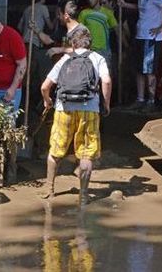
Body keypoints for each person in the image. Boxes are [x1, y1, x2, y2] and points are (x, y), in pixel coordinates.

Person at [40, 27, 112, 205]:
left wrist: (47, 101)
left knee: (56, 149)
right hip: (89, 109)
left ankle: (49, 189)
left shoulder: (65, 59)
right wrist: (106, 103)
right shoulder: (97, 58)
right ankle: (84, 194)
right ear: (90, 44)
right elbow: (107, 81)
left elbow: (44, 86)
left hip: (63, 108)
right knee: (86, 154)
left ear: (72, 43)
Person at [118, 0, 162, 112]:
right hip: (140, 36)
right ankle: (140, 99)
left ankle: (150, 100)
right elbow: (141, 8)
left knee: (149, 70)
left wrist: (161, 27)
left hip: (151, 38)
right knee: (139, 69)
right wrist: (126, 5)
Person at [78, 0, 118, 71]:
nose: (90, 0)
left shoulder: (108, 13)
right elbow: (79, 32)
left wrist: (123, 47)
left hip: (104, 50)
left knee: (106, 78)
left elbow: (117, 31)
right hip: (89, 50)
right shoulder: (83, 13)